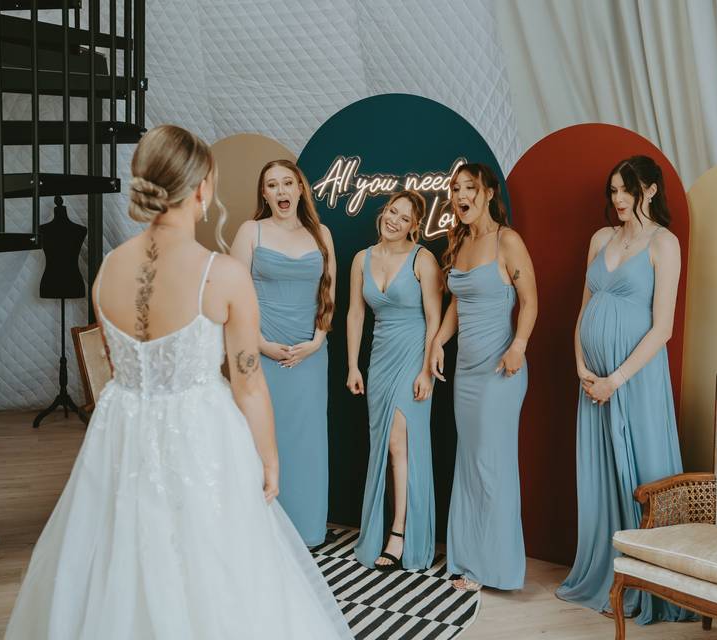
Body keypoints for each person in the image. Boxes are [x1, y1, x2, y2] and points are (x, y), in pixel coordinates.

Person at [5, 125, 352, 639]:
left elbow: (113, 367)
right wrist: (269, 458)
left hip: (119, 435)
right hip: (200, 434)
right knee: (210, 563)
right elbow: (248, 383)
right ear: (201, 189)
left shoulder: (106, 272)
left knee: (123, 558)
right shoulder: (223, 275)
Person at [556, 155, 694, 625]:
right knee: (600, 475)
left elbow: (663, 329)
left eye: (626, 190)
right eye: (612, 190)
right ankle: (607, 575)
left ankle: (652, 584)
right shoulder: (600, 239)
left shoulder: (664, 244)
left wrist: (616, 379)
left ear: (650, 190)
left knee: (642, 473)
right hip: (592, 381)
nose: (617, 199)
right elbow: (583, 310)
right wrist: (581, 367)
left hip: (632, 382)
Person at [430, 163, 538, 592]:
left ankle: (497, 568)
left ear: (489, 193)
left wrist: (518, 347)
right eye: (455, 188)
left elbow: (530, 301)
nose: (461, 196)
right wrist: (438, 342)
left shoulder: (507, 241)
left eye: (469, 188)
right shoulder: (460, 242)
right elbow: (459, 302)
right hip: (466, 374)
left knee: (491, 467)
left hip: (500, 371)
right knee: (470, 465)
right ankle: (470, 559)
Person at [230, 160, 335, 546]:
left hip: (310, 356)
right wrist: (259, 343)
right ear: (264, 194)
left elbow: (329, 292)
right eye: (272, 185)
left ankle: (307, 530)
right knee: (261, 439)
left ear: (301, 189)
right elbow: (235, 297)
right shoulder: (250, 231)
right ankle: (263, 531)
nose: (281, 191)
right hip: (263, 355)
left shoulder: (321, 233)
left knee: (307, 443)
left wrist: (318, 341)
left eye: (288, 183)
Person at [347, 191, 441, 572]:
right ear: (383, 213)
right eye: (392, 211)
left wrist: (425, 370)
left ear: (414, 226)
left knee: (399, 442)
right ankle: (383, 528)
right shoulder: (361, 259)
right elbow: (356, 314)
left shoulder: (423, 259)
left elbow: (435, 318)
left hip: (413, 354)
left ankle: (400, 534)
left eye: (404, 217)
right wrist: (352, 366)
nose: (395, 220)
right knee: (385, 447)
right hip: (380, 358)